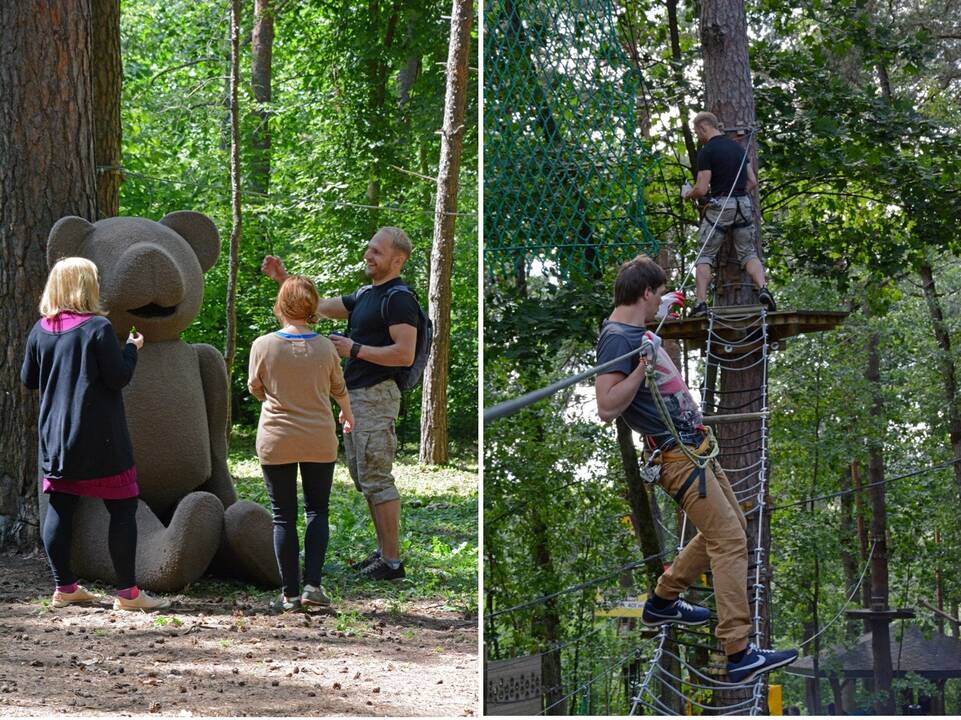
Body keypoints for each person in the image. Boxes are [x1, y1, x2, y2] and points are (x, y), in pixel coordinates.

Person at [594, 255, 797, 684]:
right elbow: (607, 408)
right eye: (655, 298)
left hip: (696, 450)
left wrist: (670, 301)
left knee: (730, 529)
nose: (657, 307)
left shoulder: (635, 326)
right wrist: (642, 369)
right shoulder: (617, 339)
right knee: (729, 541)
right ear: (643, 293)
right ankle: (738, 650)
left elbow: (655, 309)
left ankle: (663, 601)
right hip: (677, 457)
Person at [261, 227, 420, 581]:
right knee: (364, 476)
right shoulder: (366, 294)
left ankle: (392, 562)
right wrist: (285, 279)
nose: (368, 255)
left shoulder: (399, 299)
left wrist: (354, 349)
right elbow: (314, 309)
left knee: (377, 476)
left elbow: (405, 354)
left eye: (376, 252)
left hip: (377, 395)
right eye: (369, 248)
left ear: (398, 260)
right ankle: (383, 554)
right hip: (357, 397)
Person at [20, 257, 170, 611]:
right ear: (87, 286)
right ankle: (128, 595)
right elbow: (118, 377)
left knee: (60, 507)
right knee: (122, 509)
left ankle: (65, 587)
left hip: (56, 436)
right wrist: (132, 349)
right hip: (101, 436)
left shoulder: (40, 329)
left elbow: (28, 379)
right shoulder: (98, 328)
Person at [248, 276, 354, 612]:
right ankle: (312, 587)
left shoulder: (262, 345)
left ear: (281, 306)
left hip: (276, 439)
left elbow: (256, 387)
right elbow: (339, 389)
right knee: (317, 511)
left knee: (283, 516)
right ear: (312, 307)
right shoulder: (326, 347)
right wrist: (347, 415)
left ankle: (290, 595)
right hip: (318, 439)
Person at [683, 111, 775, 316]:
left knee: (705, 255)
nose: (698, 136)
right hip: (743, 204)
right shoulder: (738, 149)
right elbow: (752, 182)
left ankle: (700, 304)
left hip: (721, 206)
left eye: (698, 132)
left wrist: (688, 194)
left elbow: (702, 188)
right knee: (748, 252)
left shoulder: (707, 151)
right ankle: (763, 288)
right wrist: (737, 196)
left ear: (703, 127)